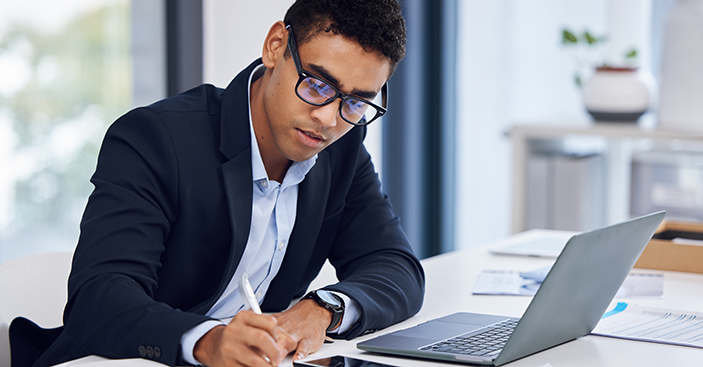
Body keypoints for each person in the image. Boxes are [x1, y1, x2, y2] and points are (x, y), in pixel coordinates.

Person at [10, 0, 425, 366]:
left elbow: (396, 267)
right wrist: (207, 342)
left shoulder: (341, 146)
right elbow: (99, 298)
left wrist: (322, 309)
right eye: (317, 84)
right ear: (275, 46)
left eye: (355, 101)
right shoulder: (155, 139)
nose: (329, 119)